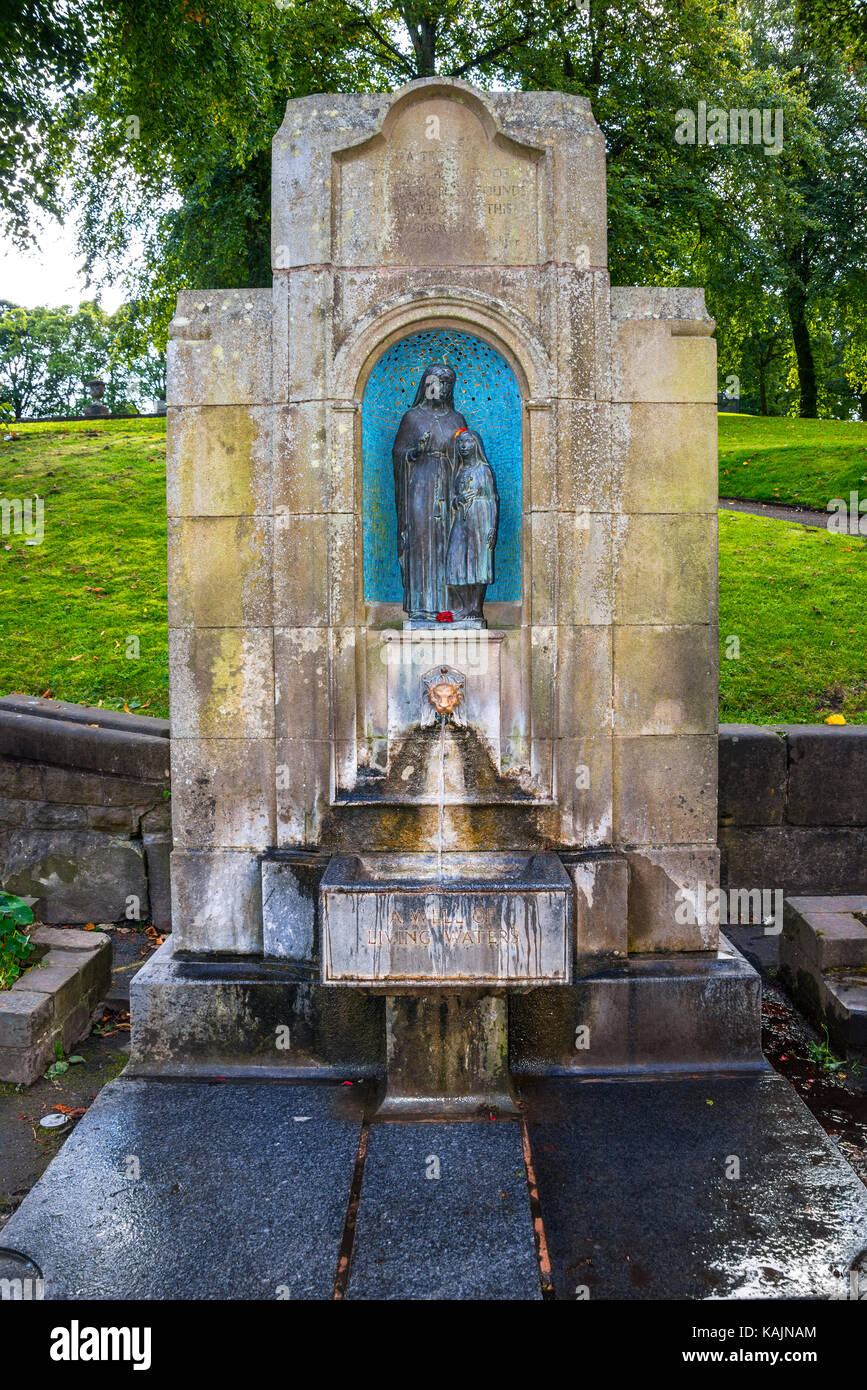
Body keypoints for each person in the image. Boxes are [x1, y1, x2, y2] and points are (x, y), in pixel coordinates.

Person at [392, 364, 467, 621]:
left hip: (448, 485)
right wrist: (412, 453)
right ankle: (421, 606)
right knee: (420, 540)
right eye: (438, 382)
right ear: (427, 385)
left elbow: (467, 454)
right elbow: (399, 454)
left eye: (448, 383)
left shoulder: (457, 420)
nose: (442, 388)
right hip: (420, 486)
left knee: (450, 542)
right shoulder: (412, 418)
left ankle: (450, 607)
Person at [445, 427, 499, 622]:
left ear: (476, 445)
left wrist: (492, 527)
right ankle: (465, 606)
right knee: (455, 560)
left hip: (480, 519)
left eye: (467, 442)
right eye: (460, 443)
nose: (463, 446)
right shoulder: (459, 471)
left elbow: (493, 498)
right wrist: (458, 500)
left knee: (477, 563)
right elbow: (452, 500)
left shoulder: (483, 470)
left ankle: (475, 609)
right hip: (461, 520)